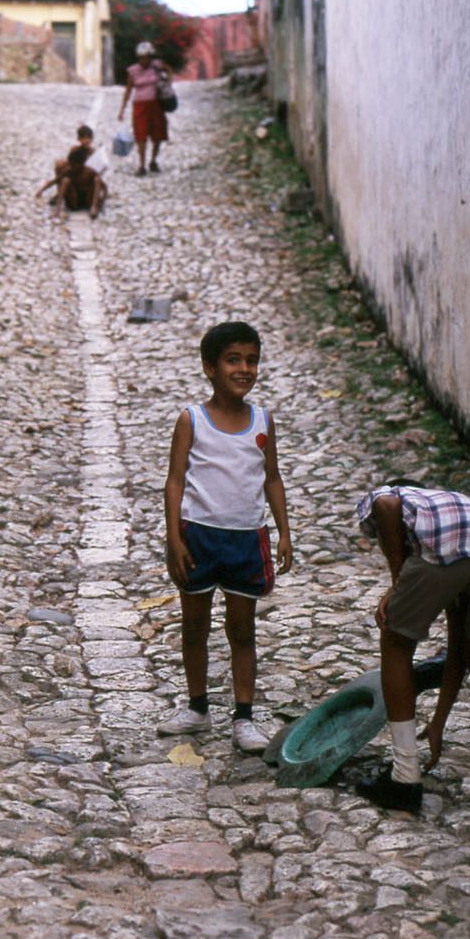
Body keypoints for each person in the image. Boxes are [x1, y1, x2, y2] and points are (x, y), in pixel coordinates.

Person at [353, 481, 470, 819]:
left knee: (395, 641)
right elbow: (458, 652)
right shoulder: (454, 507)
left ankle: (404, 777)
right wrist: (438, 722)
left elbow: (385, 506)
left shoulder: (400, 497)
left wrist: (397, 582)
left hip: (455, 552)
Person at [159, 321, 292, 752]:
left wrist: (284, 532)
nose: (244, 369)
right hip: (197, 535)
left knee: (242, 628)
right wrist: (174, 537)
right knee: (194, 625)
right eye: (233, 359)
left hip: (245, 538)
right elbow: (175, 481)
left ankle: (244, 716)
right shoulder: (191, 420)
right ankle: (197, 706)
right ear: (209, 368)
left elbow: (272, 478)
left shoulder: (262, 420)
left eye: (252, 360)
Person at [117, 41, 171, 177]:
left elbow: (169, 71)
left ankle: (153, 161)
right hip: (140, 106)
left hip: (156, 105)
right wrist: (122, 109)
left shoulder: (157, 66)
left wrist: (167, 86)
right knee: (140, 135)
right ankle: (141, 165)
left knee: (158, 134)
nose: (144, 60)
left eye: (146, 57)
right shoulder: (133, 70)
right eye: (141, 57)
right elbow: (128, 90)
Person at [35, 145, 106, 217]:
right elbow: (54, 181)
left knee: (97, 179)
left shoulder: (89, 172)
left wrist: (103, 199)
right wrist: (41, 190)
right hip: (74, 201)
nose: (71, 167)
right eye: (70, 164)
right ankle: (57, 209)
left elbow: (103, 186)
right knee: (65, 180)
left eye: (74, 165)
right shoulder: (69, 171)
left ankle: (93, 207)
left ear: (81, 164)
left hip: (87, 200)